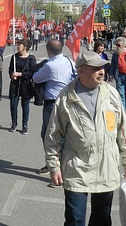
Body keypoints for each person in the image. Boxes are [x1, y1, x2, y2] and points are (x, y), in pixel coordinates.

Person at [44, 51, 126, 226]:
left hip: (106, 167)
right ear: (81, 71)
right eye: (95, 68)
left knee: (102, 219)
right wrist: (54, 167)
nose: (101, 71)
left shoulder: (111, 94)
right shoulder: (66, 98)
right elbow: (53, 136)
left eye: (102, 67)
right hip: (77, 167)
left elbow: (123, 131)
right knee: (75, 219)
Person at [32, 39, 76, 177]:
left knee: (49, 135)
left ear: (48, 50)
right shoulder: (70, 62)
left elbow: (36, 78)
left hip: (52, 103)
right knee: (62, 135)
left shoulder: (50, 65)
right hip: (68, 101)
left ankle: (56, 167)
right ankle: (57, 164)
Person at [8, 39, 36, 134]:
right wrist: (12, 75)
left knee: (25, 105)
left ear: (25, 47)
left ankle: (25, 125)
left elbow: (32, 73)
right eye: (18, 44)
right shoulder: (14, 57)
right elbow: (10, 69)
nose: (18, 46)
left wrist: (20, 74)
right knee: (13, 104)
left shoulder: (31, 58)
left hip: (26, 85)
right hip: (15, 85)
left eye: (20, 44)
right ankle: (14, 123)